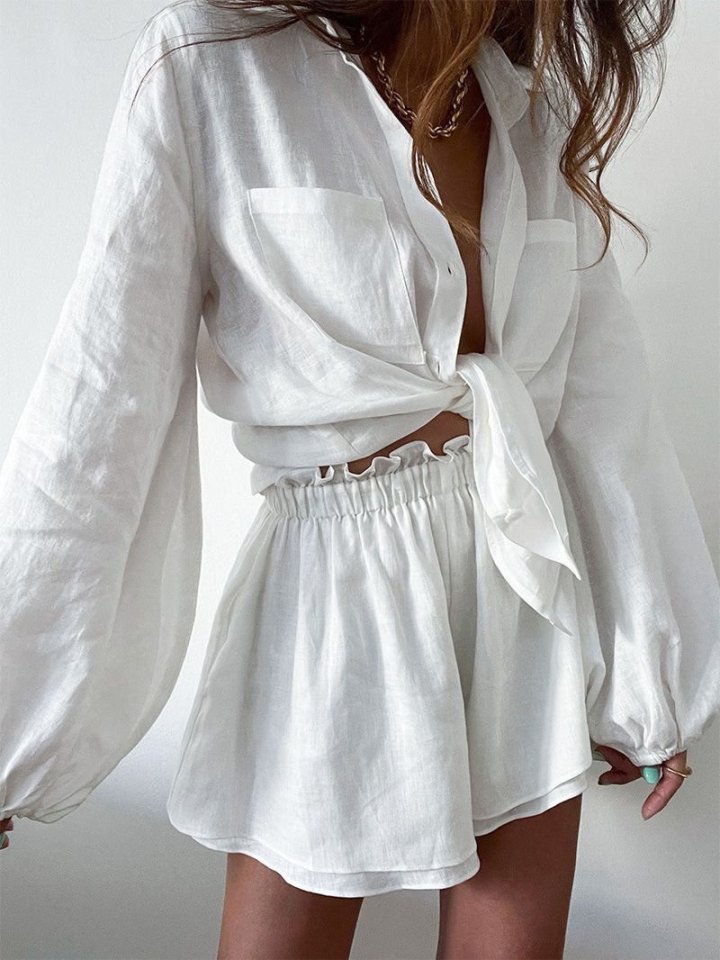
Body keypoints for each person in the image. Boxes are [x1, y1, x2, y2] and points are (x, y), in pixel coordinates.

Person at [1, 1, 718, 957]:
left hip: (524, 592)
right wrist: (14, 716)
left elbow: (601, 403)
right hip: (330, 604)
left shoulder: (521, 106)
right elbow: (100, 405)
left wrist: (649, 677)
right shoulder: (213, 63)